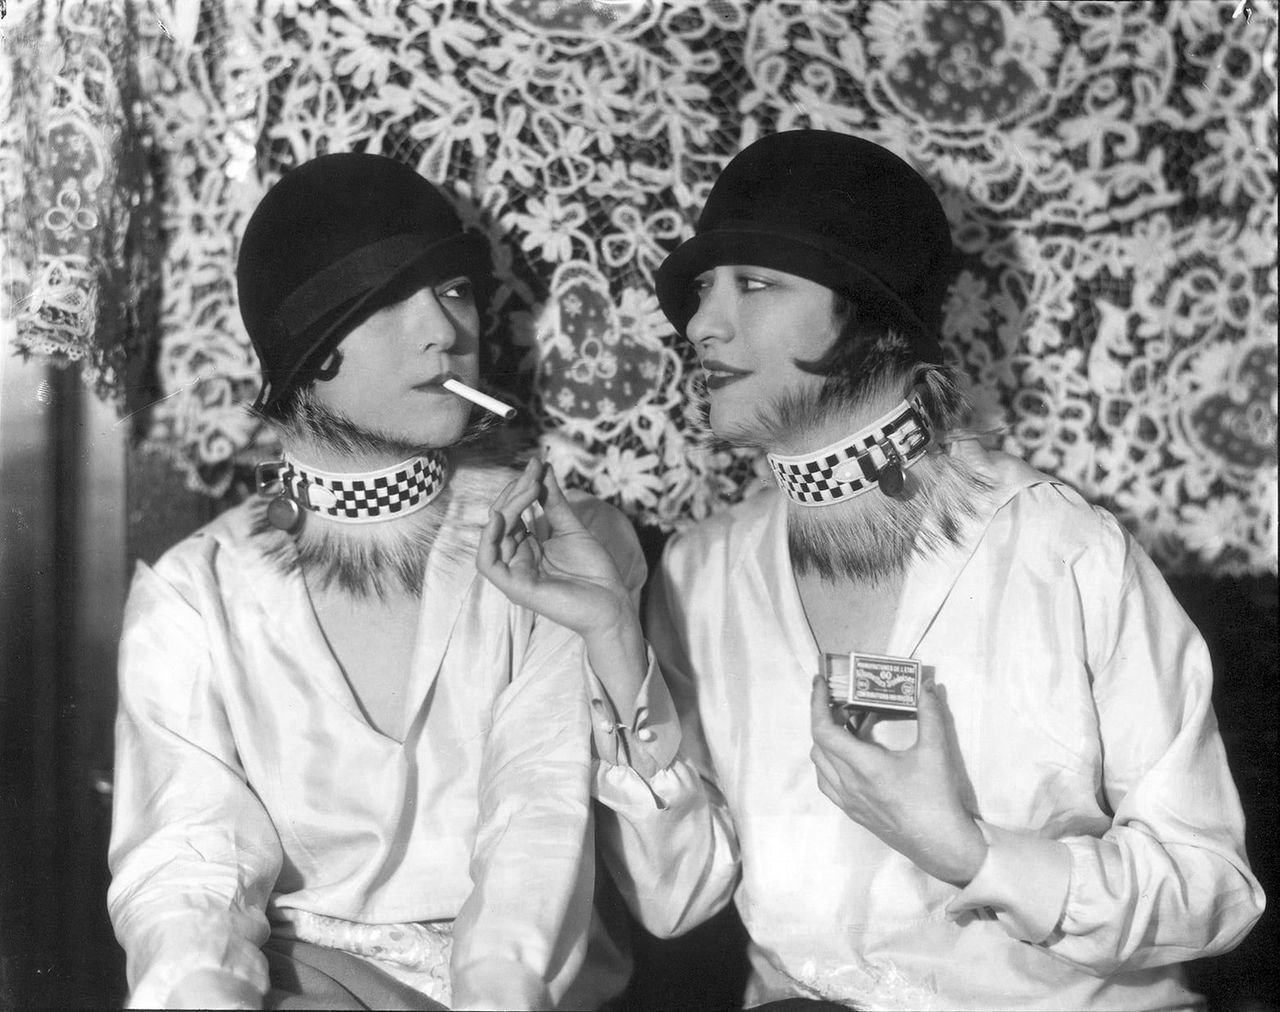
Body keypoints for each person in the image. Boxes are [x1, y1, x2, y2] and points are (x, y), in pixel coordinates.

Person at [495, 131, 1267, 1010]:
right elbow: (675, 898)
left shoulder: (1062, 551)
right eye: (703, 289)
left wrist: (972, 855)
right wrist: (611, 639)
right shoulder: (703, 573)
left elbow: (1213, 889)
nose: (702, 323)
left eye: (755, 284)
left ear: (870, 315)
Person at [106, 152, 730, 1011]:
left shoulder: (554, 543)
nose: (445, 331)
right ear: (307, 345)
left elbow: (537, 822)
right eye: (393, 296)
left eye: (456, 290)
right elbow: (189, 875)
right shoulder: (195, 593)